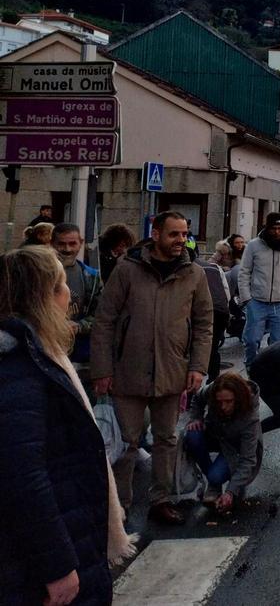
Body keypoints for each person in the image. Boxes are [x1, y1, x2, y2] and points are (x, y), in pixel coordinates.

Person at [0, 247, 136, 605]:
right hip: (47, 552)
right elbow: (22, 475)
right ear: (43, 296)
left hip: (66, 528)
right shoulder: (19, 364)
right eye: (61, 285)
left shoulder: (38, 353)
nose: (69, 296)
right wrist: (57, 566)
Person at [90, 212, 213, 524]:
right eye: (173, 234)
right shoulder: (127, 269)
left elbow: (203, 324)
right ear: (155, 234)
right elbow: (104, 320)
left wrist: (197, 366)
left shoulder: (194, 274)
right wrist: (102, 369)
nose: (180, 241)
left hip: (173, 370)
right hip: (128, 371)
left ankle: (161, 500)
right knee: (127, 443)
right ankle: (119, 506)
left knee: (166, 440)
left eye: (184, 234)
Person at [184, 371, 262, 514]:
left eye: (228, 402)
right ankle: (214, 485)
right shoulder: (213, 389)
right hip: (216, 434)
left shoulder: (250, 418)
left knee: (216, 475)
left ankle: (215, 481)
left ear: (238, 399)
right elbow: (198, 399)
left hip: (235, 448)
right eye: (219, 402)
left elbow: (248, 460)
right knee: (192, 434)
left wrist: (230, 492)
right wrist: (196, 418)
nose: (223, 407)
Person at [239, 213, 280, 366]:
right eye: (273, 228)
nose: (277, 232)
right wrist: (246, 298)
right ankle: (251, 368)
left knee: (279, 344)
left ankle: (273, 373)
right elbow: (244, 271)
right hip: (257, 301)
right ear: (267, 228)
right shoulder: (254, 245)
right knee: (251, 340)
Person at [52, 223, 104, 369]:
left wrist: (80, 326)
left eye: (72, 244)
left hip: (78, 355)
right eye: (61, 244)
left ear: (80, 243)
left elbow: (102, 315)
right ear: (52, 244)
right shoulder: (38, 274)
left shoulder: (92, 277)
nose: (67, 249)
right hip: (46, 350)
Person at [195, 249, 232, 381]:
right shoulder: (214, 268)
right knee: (213, 348)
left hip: (202, 313)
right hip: (219, 312)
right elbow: (226, 293)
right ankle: (213, 380)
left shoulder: (188, 269)